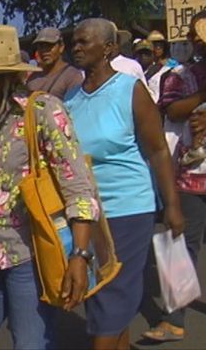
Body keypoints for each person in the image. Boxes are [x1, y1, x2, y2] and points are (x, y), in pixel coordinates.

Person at [0, 22, 100, 350]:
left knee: (31, 343)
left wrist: (79, 256)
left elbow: (79, 190)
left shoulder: (42, 112)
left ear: (6, 79)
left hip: (31, 253)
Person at [64, 18, 184, 350]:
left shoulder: (129, 90)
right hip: (87, 213)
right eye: (74, 41)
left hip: (129, 209)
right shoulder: (71, 98)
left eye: (84, 42)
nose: (76, 47)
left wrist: (172, 206)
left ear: (109, 49)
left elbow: (158, 150)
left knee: (113, 294)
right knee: (98, 294)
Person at [142, 12, 206, 343]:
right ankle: (174, 319)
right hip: (191, 175)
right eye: (195, 35)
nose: (199, 41)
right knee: (180, 243)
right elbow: (173, 111)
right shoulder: (178, 76)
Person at [27, 27, 84, 99]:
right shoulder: (33, 78)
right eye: (41, 46)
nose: (45, 51)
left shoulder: (72, 76)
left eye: (49, 46)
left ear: (61, 47)